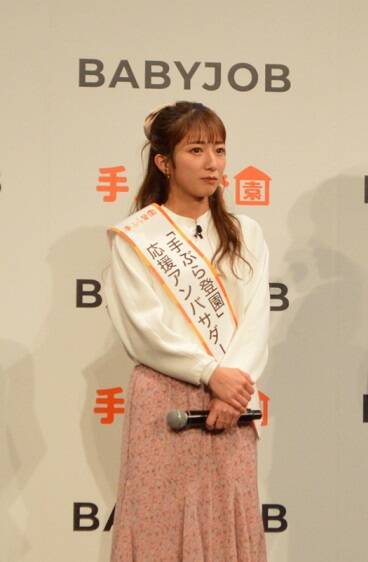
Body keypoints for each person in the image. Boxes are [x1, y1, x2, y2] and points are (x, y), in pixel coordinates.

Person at [104, 101, 269, 561]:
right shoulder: (137, 237)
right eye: (196, 150)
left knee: (227, 523)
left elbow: (256, 319)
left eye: (219, 149)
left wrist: (230, 388)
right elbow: (142, 329)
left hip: (234, 399)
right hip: (165, 399)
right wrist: (209, 373)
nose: (212, 163)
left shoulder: (247, 233)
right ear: (164, 162)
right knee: (159, 526)